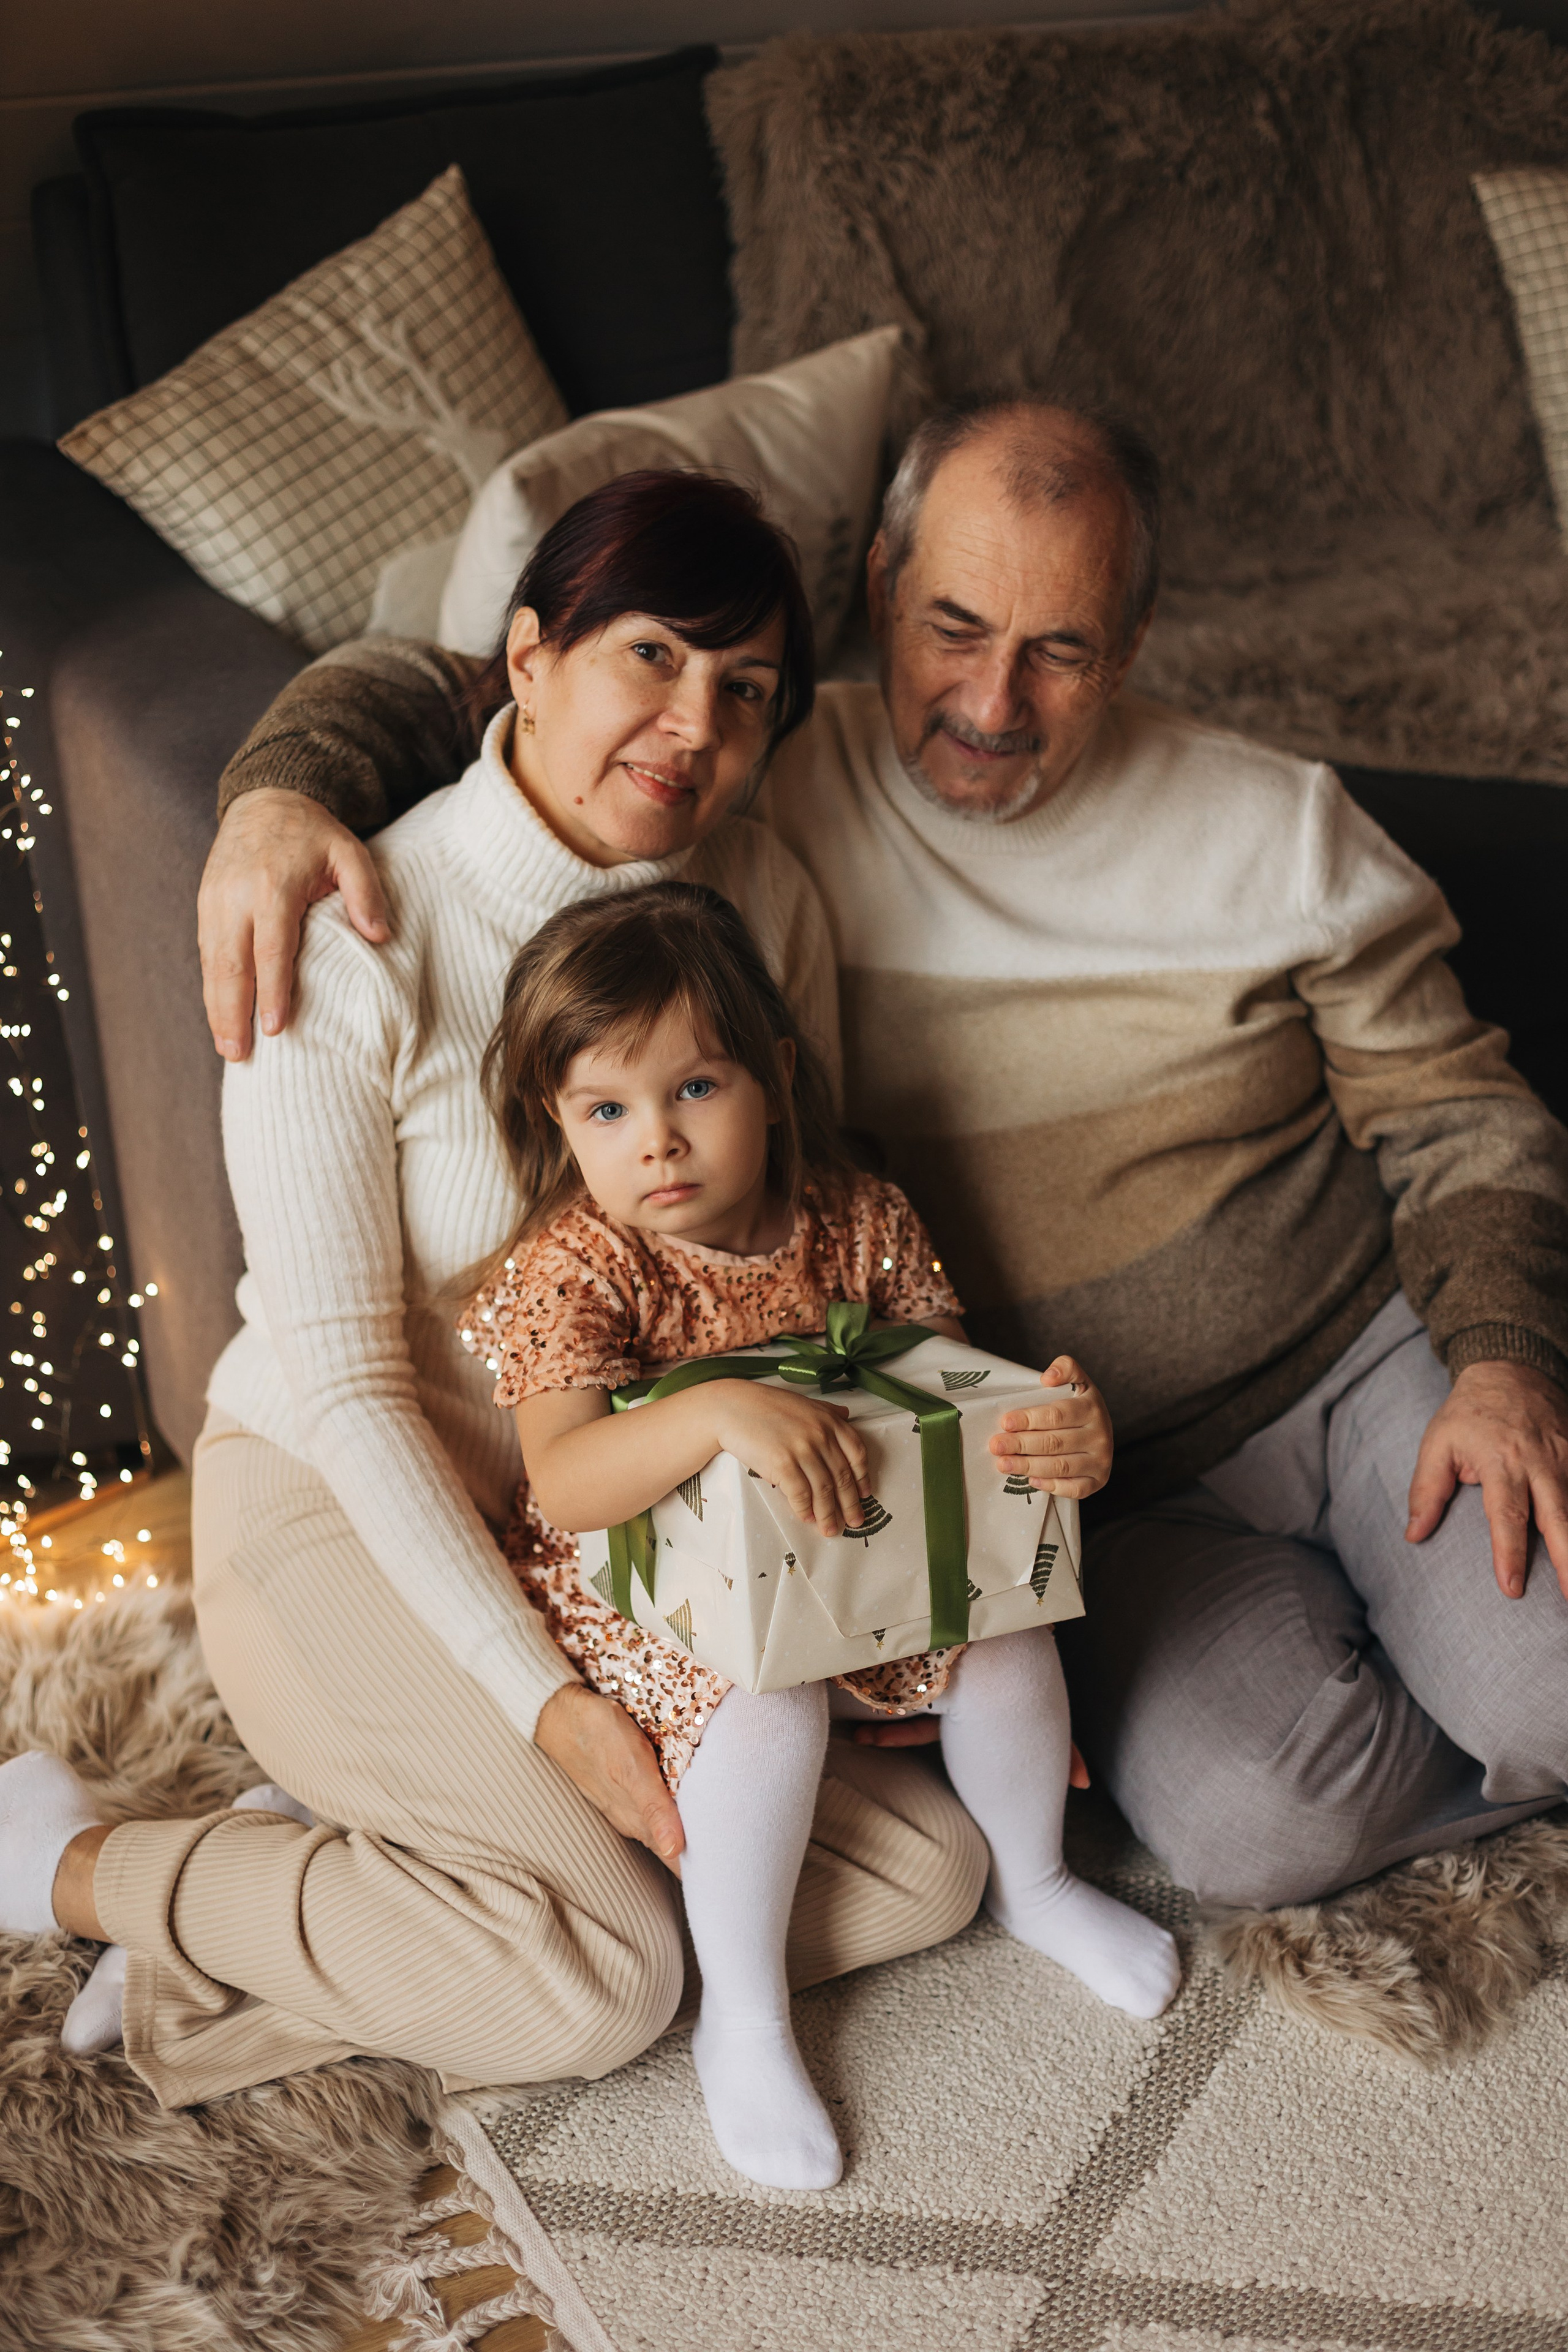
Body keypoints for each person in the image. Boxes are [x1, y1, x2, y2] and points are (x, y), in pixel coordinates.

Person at [198, 399, 1568, 1910]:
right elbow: (465, 673)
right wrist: (277, 792)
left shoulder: (1265, 829)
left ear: (1130, 639)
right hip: (1100, 1483)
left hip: (1355, 1367)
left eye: (1059, 647)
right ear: (880, 599)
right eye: (954, 627)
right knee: (1258, 1833)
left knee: (1541, 1700)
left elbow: (1457, 1107)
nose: (990, 701)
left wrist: (1501, 1357)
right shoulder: (751, 770)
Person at [0, 471, 994, 2100]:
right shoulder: (352, 932)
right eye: (653, 658)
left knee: (934, 1871)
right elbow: (348, 1383)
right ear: (527, 660)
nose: (695, 724)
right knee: (603, 1986)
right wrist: (547, 1711)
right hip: (339, 1494)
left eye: (744, 691)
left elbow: (799, 1246)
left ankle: (342, 1871)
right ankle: (73, 1862)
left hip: (603, 1511)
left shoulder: (751, 907)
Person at [464, 877, 1178, 2189]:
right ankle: (746, 2015)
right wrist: (717, 1408)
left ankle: (1032, 1878)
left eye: (696, 1089)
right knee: (769, 1702)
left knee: (1008, 1635)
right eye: (608, 1111)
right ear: (559, 1128)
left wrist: (1057, 1436)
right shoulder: (575, 1265)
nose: (657, 1143)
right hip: (649, 1594)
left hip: (855, 1548)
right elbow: (565, 1486)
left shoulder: (861, 1220)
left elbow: (953, 1412)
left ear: (775, 1080)